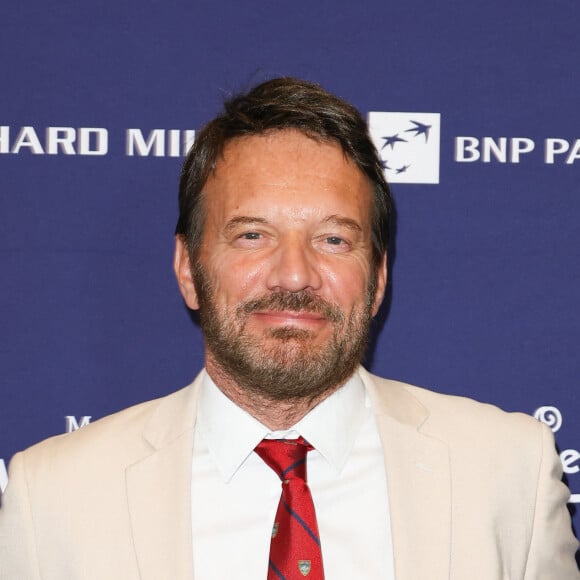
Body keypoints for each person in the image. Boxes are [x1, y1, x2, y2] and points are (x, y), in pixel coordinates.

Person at [0, 77, 578, 580]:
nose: (294, 274)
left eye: (333, 239)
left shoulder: (509, 471)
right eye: (252, 234)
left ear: (377, 278)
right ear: (188, 270)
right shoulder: (52, 494)